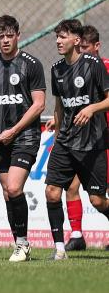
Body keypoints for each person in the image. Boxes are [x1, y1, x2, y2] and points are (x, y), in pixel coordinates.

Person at [0, 15, 45, 263]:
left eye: (9, 35)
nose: (5, 40)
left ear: (18, 35)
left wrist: (14, 130)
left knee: (14, 187)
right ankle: (19, 243)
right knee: (7, 193)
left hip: (25, 135)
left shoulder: (31, 64)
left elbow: (38, 105)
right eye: (1, 36)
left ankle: (23, 244)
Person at [44, 19, 109, 261]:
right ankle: (60, 248)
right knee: (52, 192)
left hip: (93, 142)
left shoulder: (93, 65)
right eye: (57, 37)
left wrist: (92, 109)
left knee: (97, 200)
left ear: (77, 40)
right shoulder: (56, 69)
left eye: (63, 37)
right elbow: (60, 105)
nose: (59, 41)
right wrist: (57, 129)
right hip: (66, 142)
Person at [67, 25, 109, 250]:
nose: (81, 52)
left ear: (97, 46)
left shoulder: (106, 68)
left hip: (103, 140)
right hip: (82, 140)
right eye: (79, 47)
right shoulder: (75, 71)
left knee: (98, 198)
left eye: (85, 47)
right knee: (71, 187)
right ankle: (76, 236)